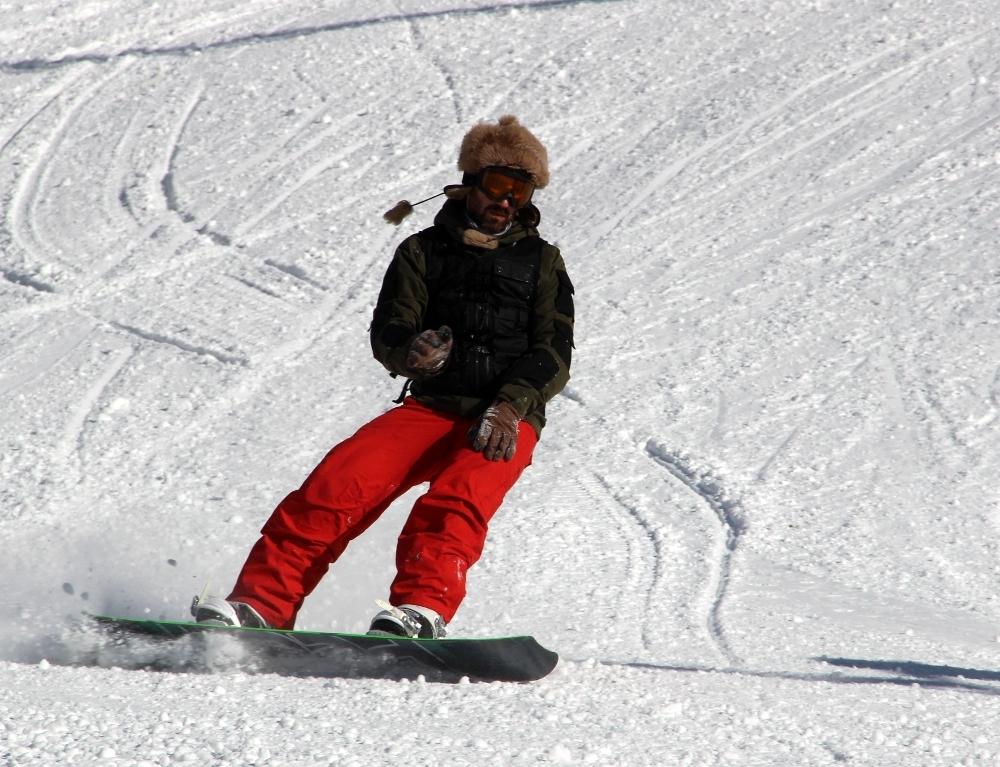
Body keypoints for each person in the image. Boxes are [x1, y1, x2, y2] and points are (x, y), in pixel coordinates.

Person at [192, 116, 575, 638]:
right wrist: (410, 351)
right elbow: (390, 328)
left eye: (520, 188)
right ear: (468, 184)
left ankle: (422, 610)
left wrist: (510, 403)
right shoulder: (423, 250)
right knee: (335, 485)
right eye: (496, 185)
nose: (506, 199)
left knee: (454, 503)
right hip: (434, 406)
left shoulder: (543, 262)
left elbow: (553, 351)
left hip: (504, 416)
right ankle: (262, 603)